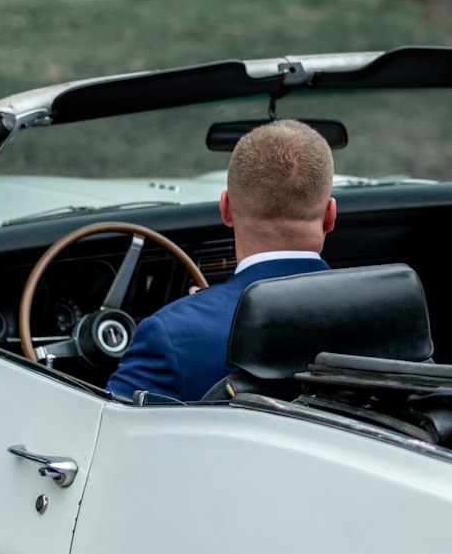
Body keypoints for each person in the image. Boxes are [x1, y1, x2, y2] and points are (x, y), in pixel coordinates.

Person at [107, 119, 336, 402]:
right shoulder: (393, 316)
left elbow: (103, 434)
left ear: (226, 209)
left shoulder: (172, 334)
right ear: (330, 215)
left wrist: (200, 310)